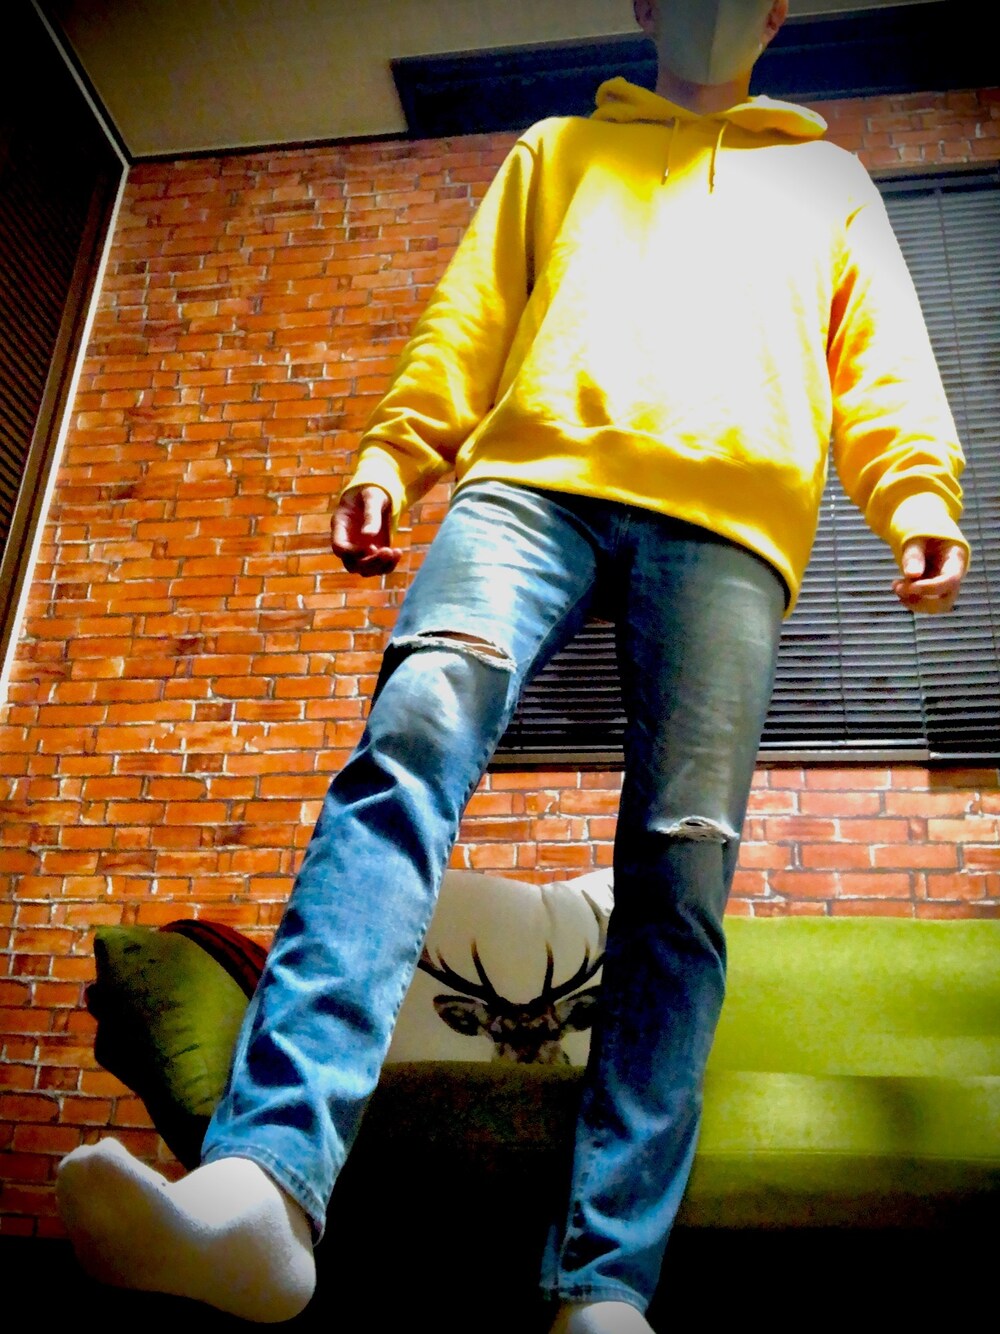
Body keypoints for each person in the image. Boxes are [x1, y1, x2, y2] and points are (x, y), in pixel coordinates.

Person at [56, 1, 969, 1330]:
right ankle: (265, 1190)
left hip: (730, 529)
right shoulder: (557, 149)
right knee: (405, 757)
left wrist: (919, 493)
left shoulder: (830, 182)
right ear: (645, 2)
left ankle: (601, 1287)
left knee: (681, 880)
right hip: (526, 491)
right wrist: (394, 450)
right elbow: (469, 315)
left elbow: (883, 361)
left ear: (779, 9)